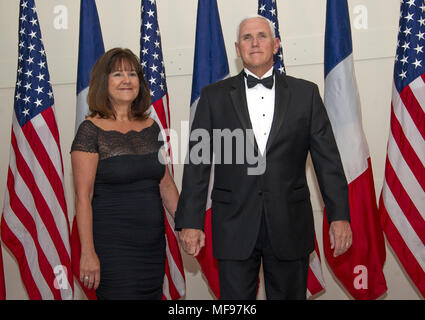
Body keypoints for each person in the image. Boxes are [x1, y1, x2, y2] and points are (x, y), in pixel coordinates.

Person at [175, 16, 352, 300]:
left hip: (290, 224)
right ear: (237, 48)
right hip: (233, 225)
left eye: (261, 36)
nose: (254, 42)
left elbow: (328, 161)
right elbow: (198, 164)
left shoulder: (306, 94)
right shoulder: (213, 97)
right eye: (247, 37)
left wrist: (340, 216)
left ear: (276, 44)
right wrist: (190, 221)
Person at [71, 48, 179, 300]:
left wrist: (188, 225)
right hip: (113, 249)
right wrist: (87, 252)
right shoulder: (90, 131)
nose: (127, 80)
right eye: (118, 74)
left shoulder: (151, 128)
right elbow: (82, 197)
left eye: (132, 74)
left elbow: (165, 184)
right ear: (103, 82)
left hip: (152, 246)